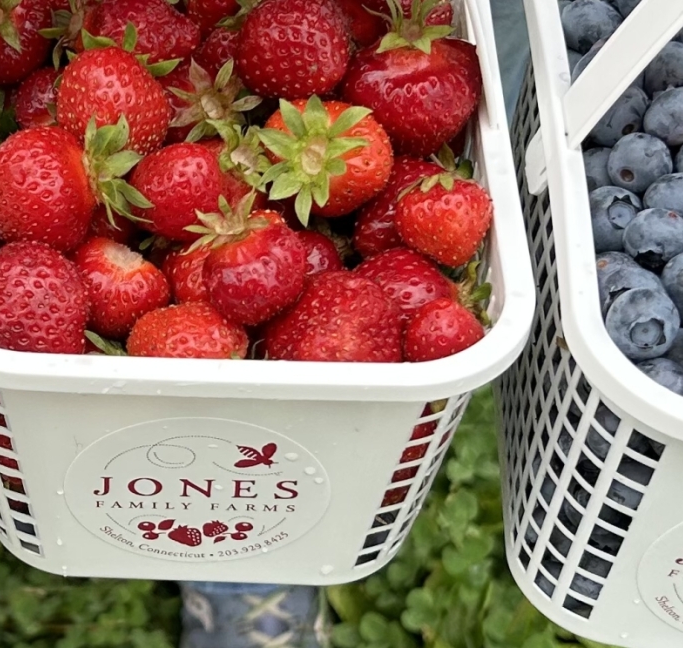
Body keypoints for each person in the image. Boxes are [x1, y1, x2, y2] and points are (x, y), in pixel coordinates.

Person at [176, 3, 532, 645]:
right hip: (252, 102)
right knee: (222, 430)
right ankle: (237, 568)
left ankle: (263, 564)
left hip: (390, 52)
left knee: (466, 68)